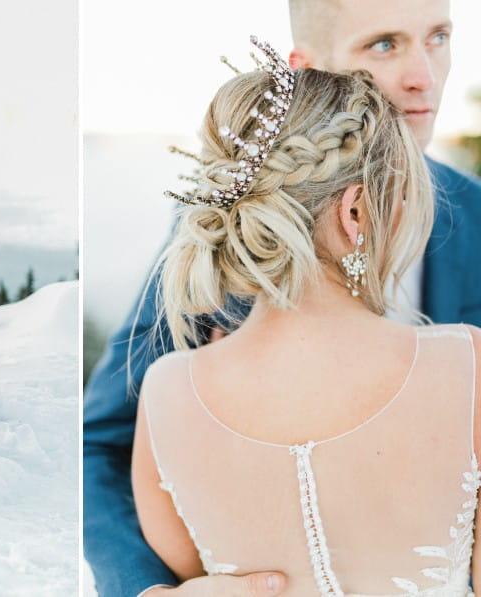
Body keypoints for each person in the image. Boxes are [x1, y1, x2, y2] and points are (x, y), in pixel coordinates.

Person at [83, 1, 481, 595]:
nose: (423, 74)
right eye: (384, 45)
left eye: (440, 37)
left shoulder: (476, 218)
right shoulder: (221, 220)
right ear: (306, 70)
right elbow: (103, 438)